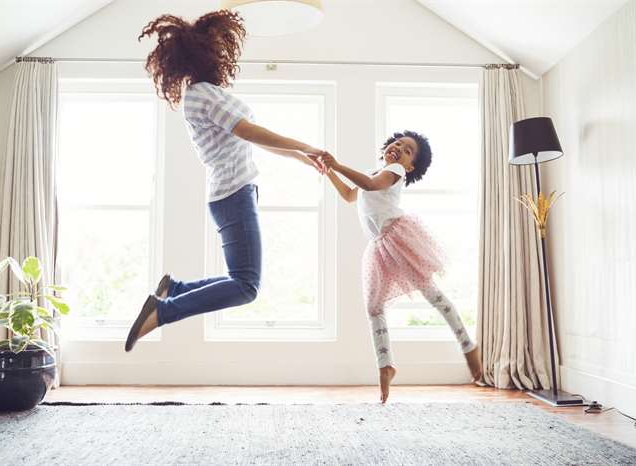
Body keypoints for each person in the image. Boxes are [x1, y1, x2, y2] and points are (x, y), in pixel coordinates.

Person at [125, 11, 325, 351]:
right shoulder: (203, 94)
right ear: (201, 54)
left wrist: (300, 157)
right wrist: (303, 144)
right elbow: (246, 130)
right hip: (233, 194)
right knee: (247, 286)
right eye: (217, 47)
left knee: (243, 280)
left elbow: (248, 138)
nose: (223, 53)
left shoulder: (204, 94)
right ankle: (166, 309)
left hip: (232, 193)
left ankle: (174, 290)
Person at [320, 131, 481, 403]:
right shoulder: (375, 171)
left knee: (432, 294)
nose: (398, 148)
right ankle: (386, 365)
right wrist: (329, 172)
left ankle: (468, 346)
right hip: (379, 246)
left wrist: (337, 164)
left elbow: (371, 185)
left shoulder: (394, 171)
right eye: (397, 143)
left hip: (398, 239)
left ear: (409, 167)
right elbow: (350, 195)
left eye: (407, 151)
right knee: (374, 308)